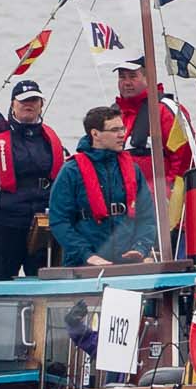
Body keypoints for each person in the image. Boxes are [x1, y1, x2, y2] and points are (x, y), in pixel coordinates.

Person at [0, 79, 65, 281]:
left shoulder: (51, 139)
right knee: (0, 282)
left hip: (42, 225)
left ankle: (40, 313)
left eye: (34, 100)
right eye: (23, 100)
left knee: (45, 282)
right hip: (4, 224)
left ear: (41, 105)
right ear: (12, 104)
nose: (29, 104)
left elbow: (65, 178)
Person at [47, 105, 157, 268]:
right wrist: (87, 255)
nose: (122, 135)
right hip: (84, 263)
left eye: (122, 128)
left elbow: (147, 216)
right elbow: (59, 221)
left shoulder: (132, 170)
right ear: (95, 134)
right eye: (114, 130)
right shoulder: (71, 171)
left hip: (126, 262)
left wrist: (140, 247)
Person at [110, 55, 191, 188]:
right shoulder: (114, 112)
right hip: (121, 196)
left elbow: (183, 159)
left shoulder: (165, 111)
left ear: (148, 78)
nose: (127, 82)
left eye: (132, 76)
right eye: (122, 77)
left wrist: (167, 192)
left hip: (156, 199)